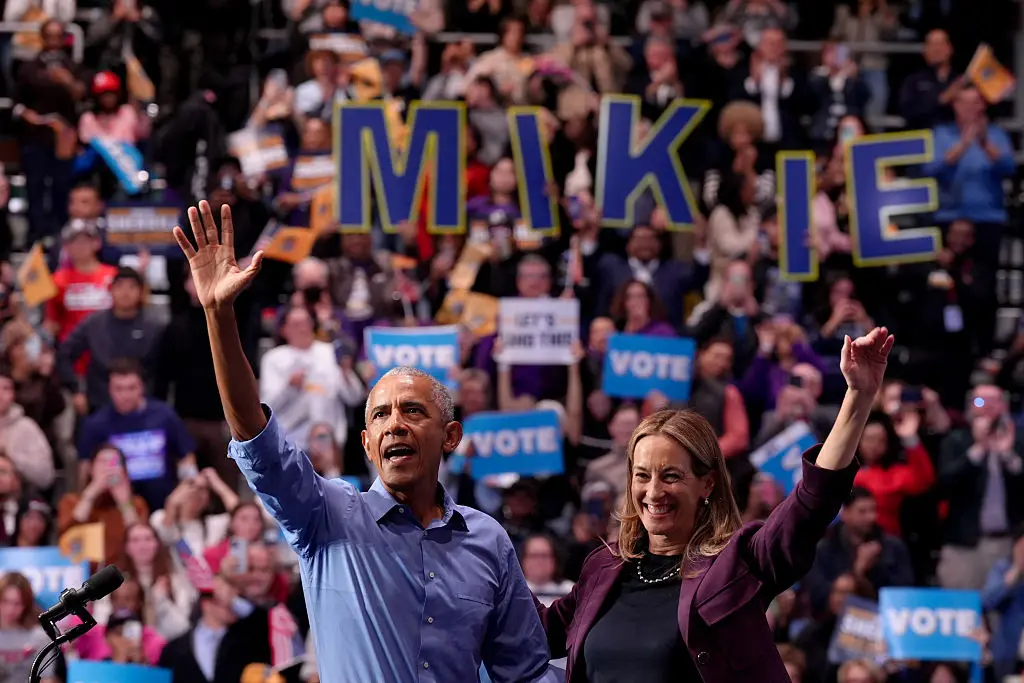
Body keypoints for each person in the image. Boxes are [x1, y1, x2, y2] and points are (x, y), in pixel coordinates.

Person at [172, 201, 560, 683]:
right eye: (380, 415)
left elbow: (525, 673)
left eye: (413, 411)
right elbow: (257, 439)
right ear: (367, 443)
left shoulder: (489, 542)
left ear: (451, 436)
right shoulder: (324, 515)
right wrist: (218, 315)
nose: (394, 424)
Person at [537, 326, 895, 683]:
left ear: (706, 483)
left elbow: (811, 503)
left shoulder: (737, 563)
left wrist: (858, 396)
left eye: (671, 476)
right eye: (642, 475)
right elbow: (534, 633)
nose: (653, 491)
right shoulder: (601, 568)